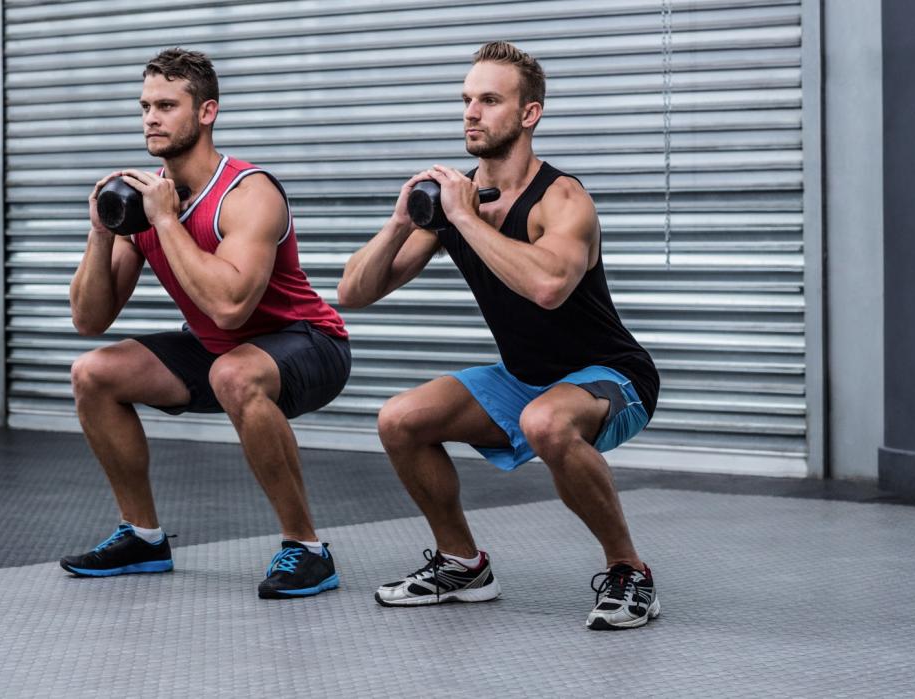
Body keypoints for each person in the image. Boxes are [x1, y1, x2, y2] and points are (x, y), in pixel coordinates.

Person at [337, 41, 661, 629]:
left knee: (546, 421)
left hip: (611, 376)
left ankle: (630, 572)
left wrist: (462, 218)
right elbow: (353, 293)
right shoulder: (455, 200)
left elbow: (547, 287)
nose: (471, 112)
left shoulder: (562, 199)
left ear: (529, 113)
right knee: (400, 420)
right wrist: (398, 223)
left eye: (489, 100)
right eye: (466, 99)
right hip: (525, 377)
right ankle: (463, 565)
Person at [62, 48, 350, 600]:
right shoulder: (145, 203)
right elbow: (89, 319)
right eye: (145, 106)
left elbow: (230, 307)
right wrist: (101, 231)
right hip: (221, 351)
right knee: (93, 372)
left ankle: (307, 549)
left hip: (311, 344)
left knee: (234, 376)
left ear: (207, 111)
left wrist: (165, 220)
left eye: (167, 105)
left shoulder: (247, 192)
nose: (151, 118)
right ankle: (143, 537)